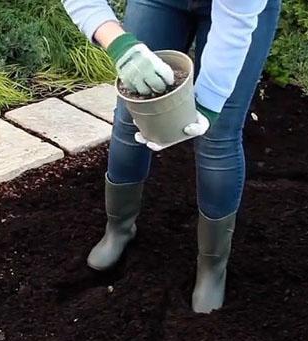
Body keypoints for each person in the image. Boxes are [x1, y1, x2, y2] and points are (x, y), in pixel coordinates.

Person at [63, 0, 281, 313]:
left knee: (217, 135)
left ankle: (212, 267)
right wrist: (122, 46)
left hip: (239, 12)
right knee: (131, 116)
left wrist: (207, 106)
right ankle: (119, 228)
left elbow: (233, 28)